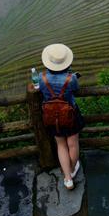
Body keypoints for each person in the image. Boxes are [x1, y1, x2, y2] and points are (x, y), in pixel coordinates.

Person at [38, 43, 85, 190]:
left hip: (51, 116)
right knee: (72, 144)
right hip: (69, 115)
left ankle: (68, 178)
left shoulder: (42, 77)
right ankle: (71, 169)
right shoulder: (71, 78)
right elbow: (76, 90)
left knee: (61, 145)